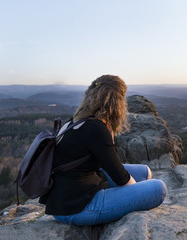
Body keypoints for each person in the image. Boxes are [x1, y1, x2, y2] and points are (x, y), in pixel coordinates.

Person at [39, 75, 167, 226]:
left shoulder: (74, 121)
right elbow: (120, 176)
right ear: (116, 103)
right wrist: (136, 193)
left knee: (145, 172)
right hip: (77, 208)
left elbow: (108, 165)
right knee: (158, 188)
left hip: (69, 196)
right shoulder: (96, 128)